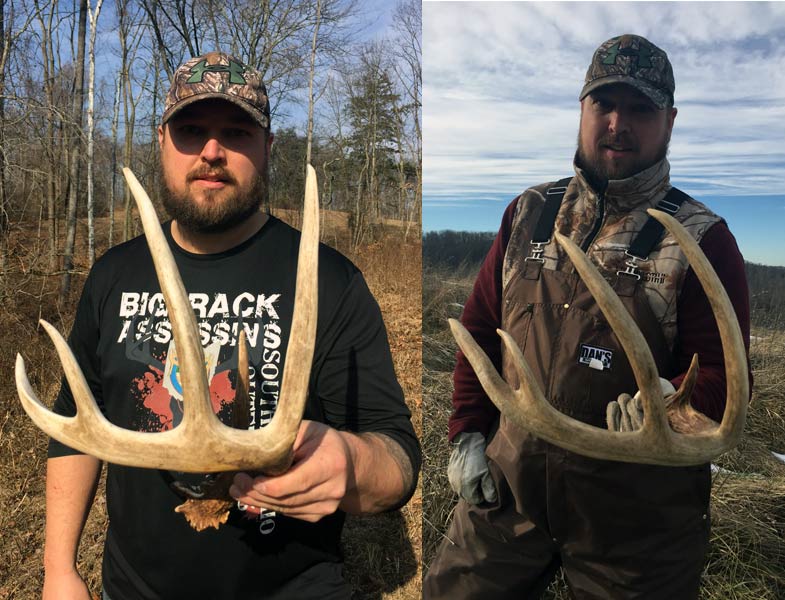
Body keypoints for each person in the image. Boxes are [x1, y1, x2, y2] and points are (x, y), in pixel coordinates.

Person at [43, 52, 420, 600]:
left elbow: (399, 458)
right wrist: (59, 569)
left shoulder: (329, 281)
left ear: (268, 147)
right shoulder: (112, 274)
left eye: (237, 133)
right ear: (161, 140)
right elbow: (74, 420)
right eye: (192, 130)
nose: (212, 152)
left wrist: (354, 464)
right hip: (133, 589)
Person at [424, 34, 751, 598]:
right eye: (604, 104)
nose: (618, 123)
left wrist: (667, 407)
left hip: (636, 523)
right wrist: (467, 435)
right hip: (509, 493)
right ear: (582, 110)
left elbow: (724, 381)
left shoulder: (701, 241)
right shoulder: (529, 212)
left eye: (640, 109)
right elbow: (478, 332)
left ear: (669, 121)